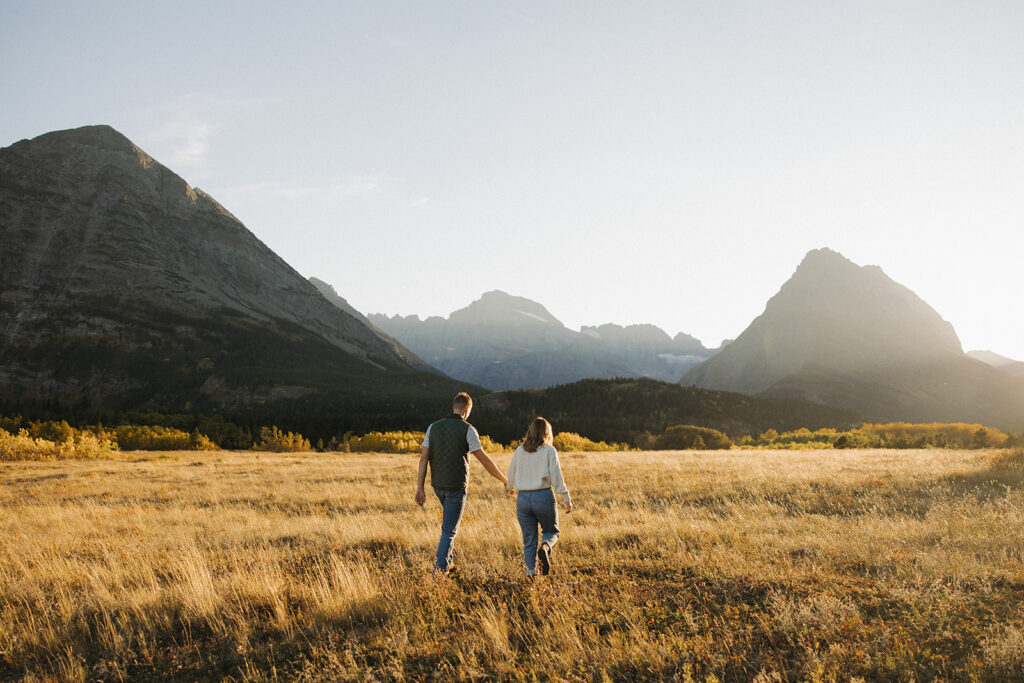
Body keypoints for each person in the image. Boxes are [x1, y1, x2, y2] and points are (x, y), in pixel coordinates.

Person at [415, 392, 507, 575]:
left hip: (437, 486)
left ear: (453, 407)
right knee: (449, 531)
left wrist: (420, 488)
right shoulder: (468, 429)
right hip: (456, 487)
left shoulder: (432, 427)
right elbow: (485, 460)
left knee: (449, 527)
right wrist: (504, 480)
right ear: (467, 409)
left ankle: (447, 564)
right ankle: (439, 574)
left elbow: (423, 459)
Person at [506, 417, 573, 576]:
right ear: (547, 433)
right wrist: (566, 497)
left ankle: (530, 573)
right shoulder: (549, 450)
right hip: (543, 496)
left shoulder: (519, 450)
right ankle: (545, 547)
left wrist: (510, 488)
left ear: (530, 432)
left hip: (523, 499)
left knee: (529, 540)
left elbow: (511, 473)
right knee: (552, 532)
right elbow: (557, 477)